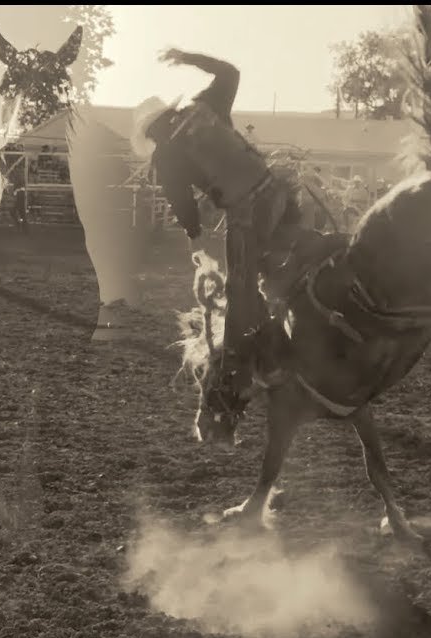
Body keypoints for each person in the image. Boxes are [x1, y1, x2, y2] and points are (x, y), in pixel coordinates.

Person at [145, 47, 294, 412]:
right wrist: (187, 58)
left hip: (247, 213)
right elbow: (231, 73)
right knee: (290, 260)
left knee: (240, 288)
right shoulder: (205, 104)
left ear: (152, 133)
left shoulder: (165, 154)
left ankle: (266, 365)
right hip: (277, 195)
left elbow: (182, 202)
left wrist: (195, 237)